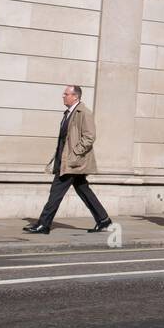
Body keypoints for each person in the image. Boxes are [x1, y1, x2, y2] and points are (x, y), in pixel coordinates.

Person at [24, 86, 111, 234]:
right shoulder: (68, 113)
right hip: (65, 160)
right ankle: (103, 220)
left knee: (56, 192)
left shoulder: (83, 112)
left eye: (66, 94)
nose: (63, 96)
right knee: (83, 190)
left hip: (72, 162)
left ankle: (44, 224)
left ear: (75, 96)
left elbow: (90, 137)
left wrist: (74, 154)